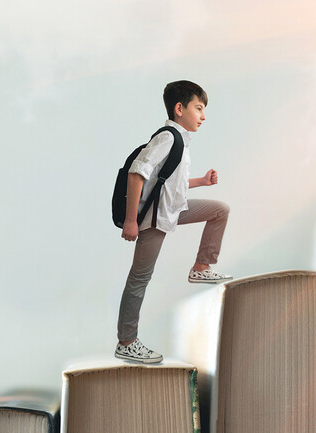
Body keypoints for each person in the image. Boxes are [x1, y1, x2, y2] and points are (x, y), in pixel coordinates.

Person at [115, 80, 232, 363]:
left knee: (219, 210)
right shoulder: (168, 137)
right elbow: (136, 173)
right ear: (180, 109)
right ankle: (126, 341)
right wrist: (132, 220)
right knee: (140, 277)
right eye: (199, 108)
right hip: (155, 218)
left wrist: (201, 182)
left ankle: (201, 267)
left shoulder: (180, 140)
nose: (203, 116)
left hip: (173, 209)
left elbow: (169, 184)